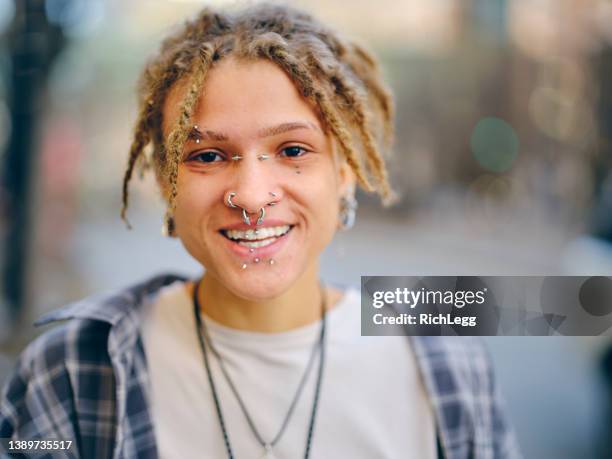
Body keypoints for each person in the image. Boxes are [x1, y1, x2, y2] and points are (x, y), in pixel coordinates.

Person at [0, 3, 521, 458]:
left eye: (293, 150)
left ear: (344, 171)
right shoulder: (68, 373)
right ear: (165, 182)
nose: (250, 195)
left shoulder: (447, 368)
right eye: (207, 155)